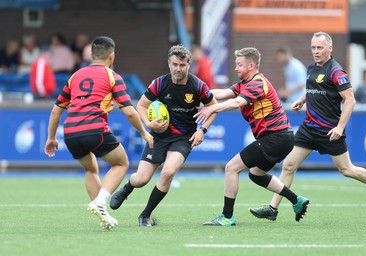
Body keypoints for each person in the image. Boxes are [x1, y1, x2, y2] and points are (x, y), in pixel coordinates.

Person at [253, 32, 366, 222]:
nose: (316, 51)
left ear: (330, 48)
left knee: (346, 170)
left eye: (320, 48)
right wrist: (302, 100)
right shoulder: (311, 67)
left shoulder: (336, 72)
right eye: (313, 47)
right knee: (288, 165)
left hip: (329, 130)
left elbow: (350, 100)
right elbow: (313, 89)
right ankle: (273, 208)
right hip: (309, 128)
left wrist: (340, 127)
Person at [44, 36, 153, 230]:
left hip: (70, 133)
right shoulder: (113, 76)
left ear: (92, 55)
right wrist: (144, 133)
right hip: (94, 129)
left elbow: (56, 110)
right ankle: (100, 202)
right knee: (121, 163)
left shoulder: (75, 76)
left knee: (91, 169)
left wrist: (51, 138)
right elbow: (128, 110)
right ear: (112, 56)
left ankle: (101, 212)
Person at [194, 47, 310, 226]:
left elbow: (237, 102)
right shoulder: (244, 83)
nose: (236, 68)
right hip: (280, 138)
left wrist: (212, 107)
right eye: (236, 64)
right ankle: (297, 200)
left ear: (251, 66)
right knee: (256, 174)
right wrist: (197, 93)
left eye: (239, 65)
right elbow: (221, 93)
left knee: (231, 168)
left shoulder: (257, 83)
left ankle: (227, 216)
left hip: (275, 138)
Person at [109, 45, 218, 227]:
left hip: (184, 138)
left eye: (182, 65)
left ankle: (145, 215)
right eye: (174, 64)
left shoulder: (198, 85)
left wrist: (202, 130)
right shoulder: (159, 83)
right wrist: (148, 123)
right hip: (159, 135)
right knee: (142, 179)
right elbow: (141, 106)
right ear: (169, 63)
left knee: (167, 173)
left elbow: (214, 107)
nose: (178, 69)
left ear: (189, 64)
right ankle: (128, 187)